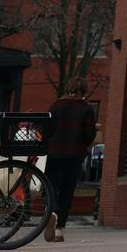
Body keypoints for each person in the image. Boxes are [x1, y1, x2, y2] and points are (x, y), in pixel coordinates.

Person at [41, 92, 98, 242]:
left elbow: (47, 129)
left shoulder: (56, 106)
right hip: (74, 155)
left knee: (50, 186)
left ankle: (52, 210)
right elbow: (89, 134)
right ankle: (59, 229)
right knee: (67, 190)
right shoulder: (86, 108)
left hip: (54, 153)